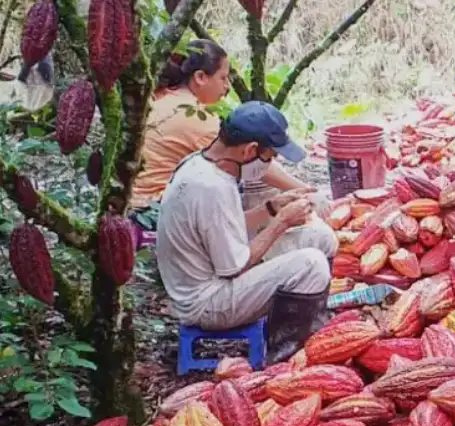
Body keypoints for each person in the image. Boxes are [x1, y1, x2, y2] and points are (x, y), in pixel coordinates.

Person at [156, 101, 337, 345]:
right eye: (269, 157)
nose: (269, 164)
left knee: (321, 238)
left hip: (213, 271)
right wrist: (281, 222)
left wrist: (271, 208)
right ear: (250, 151)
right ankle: (287, 351)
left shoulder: (201, 165)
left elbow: (220, 226)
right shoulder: (211, 188)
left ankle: (309, 323)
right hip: (207, 301)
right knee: (311, 264)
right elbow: (235, 267)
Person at [130, 39, 321, 233]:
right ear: (200, 77)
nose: (227, 86)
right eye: (223, 77)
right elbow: (256, 163)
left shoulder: (159, 97)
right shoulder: (195, 118)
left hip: (132, 206)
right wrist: (309, 193)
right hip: (152, 214)